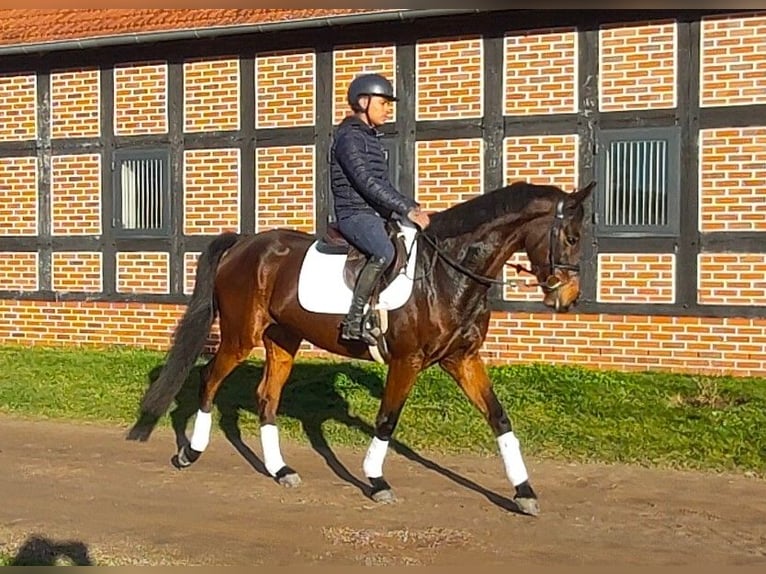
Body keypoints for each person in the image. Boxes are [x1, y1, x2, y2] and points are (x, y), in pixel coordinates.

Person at [330, 72, 430, 345]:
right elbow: (366, 182)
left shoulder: (370, 138)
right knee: (384, 251)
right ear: (363, 102)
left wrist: (409, 206)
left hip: (374, 213)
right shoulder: (348, 138)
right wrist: (405, 209)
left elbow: (384, 183)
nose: (388, 109)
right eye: (383, 103)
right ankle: (353, 321)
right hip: (355, 214)